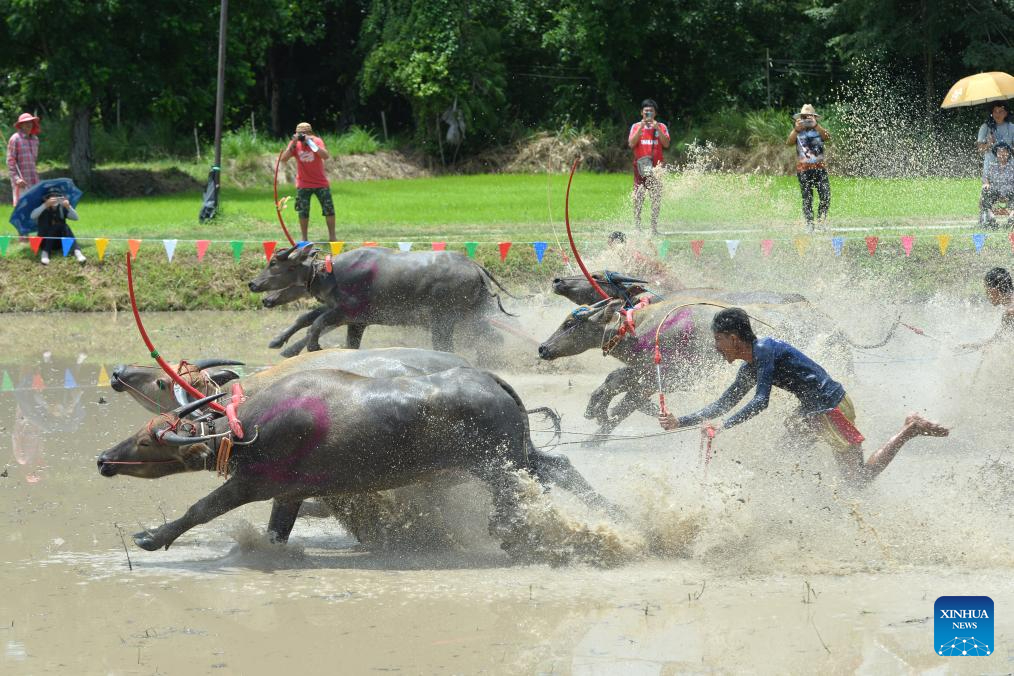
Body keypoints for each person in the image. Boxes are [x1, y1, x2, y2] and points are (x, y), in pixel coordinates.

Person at [657, 308, 949, 486]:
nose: (716, 347)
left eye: (718, 340)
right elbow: (723, 403)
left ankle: (910, 429)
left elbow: (761, 401)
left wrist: (723, 426)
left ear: (734, 338)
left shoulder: (764, 350)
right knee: (782, 456)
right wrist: (678, 421)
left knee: (857, 480)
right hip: (812, 411)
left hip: (830, 408)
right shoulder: (749, 366)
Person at [279, 122, 335, 242]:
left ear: (310, 133)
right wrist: (293, 144)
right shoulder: (294, 144)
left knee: (329, 210)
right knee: (303, 212)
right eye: (300, 134)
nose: (302, 137)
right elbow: (283, 159)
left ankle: (332, 237)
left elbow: (325, 156)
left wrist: (311, 143)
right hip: (303, 184)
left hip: (321, 183)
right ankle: (304, 238)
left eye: (304, 134)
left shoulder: (316, 141)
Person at [627, 99, 670, 235]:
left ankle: (654, 228)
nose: (648, 114)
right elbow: (631, 144)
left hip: (656, 168)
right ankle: (638, 226)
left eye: (651, 111)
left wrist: (656, 128)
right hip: (640, 166)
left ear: (655, 113)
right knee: (638, 196)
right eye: (646, 112)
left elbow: (666, 144)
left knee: (656, 197)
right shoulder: (635, 126)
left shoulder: (661, 126)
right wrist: (641, 127)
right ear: (641, 113)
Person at [787, 104, 831, 230]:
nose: (806, 119)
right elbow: (789, 142)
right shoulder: (797, 130)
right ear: (800, 118)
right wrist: (796, 129)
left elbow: (827, 137)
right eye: (804, 117)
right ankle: (809, 224)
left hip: (820, 169)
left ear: (814, 117)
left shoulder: (819, 129)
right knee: (807, 198)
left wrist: (816, 125)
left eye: (809, 116)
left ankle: (821, 221)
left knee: (826, 196)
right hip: (803, 170)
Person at [605, 230, 683, 292]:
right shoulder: (622, 256)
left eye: (610, 244)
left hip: (661, 277)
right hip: (653, 278)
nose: (609, 247)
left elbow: (656, 265)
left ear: (617, 243)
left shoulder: (632, 255)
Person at [959, 267, 1014, 350]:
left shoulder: (1010, 311)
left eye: (986, 290)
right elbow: (998, 340)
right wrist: (969, 346)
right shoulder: (1007, 314)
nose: (986, 294)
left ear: (993, 290)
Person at [30, 185, 85, 265]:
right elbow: (32, 216)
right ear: (46, 199)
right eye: (52, 197)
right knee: (55, 226)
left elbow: (76, 218)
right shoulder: (42, 208)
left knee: (64, 226)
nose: (54, 199)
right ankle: (45, 253)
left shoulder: (62, 208)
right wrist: (45, 205)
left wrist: (68, 207)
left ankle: (77, 251)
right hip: (44, 241)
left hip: (59, 243)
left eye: (57, 197)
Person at [7, 112, 40, 206]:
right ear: (20, 125)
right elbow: (10, 161)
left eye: (30, 122)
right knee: (22, 209)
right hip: (21, 181)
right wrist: (16, 179)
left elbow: (34, 161)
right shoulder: (15, 138)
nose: (28, 124)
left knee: (35, 209)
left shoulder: (35, 139)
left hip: (34, 179)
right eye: (25, 122)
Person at [980, 142, 1014, 227]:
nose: (1001, 154)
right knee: (985, 191)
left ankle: (1011, 218)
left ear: (1008, 153)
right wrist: (986, 183)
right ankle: (991, 218)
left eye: (1004, 151)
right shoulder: (992, 166)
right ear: (996, 154)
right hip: (996, 192)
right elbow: (985, 178)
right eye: (999, 152)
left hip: (1010, 192)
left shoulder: (1012, 166)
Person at [977, 102, 1014, 178]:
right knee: (989, 189)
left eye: (1000, 111)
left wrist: (1008, 151)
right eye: (995, 111)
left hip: (1009, 167)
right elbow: (980, 149)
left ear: (1006, 113)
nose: (997, 114)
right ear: (991, 113)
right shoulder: (985, 127)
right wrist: (989, 144)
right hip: (990, 166)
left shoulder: (1012, 127)